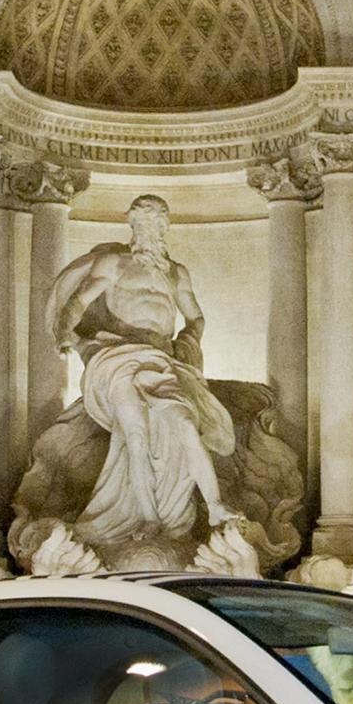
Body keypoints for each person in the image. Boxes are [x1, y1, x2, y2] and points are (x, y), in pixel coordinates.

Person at [46, 194, 238, 562]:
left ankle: (214, 505)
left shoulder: (176, 272)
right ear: (131, 224)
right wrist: (65, 333)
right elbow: (81, 300)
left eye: (157, 223)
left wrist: (188, 341)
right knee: (133, 432)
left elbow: (195, 317)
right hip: (117, 356)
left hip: (160, 360)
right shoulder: (113, 262)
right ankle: (148, 518)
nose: (150, 229)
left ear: (165, 228)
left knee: (184, 424)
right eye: (143, 222)